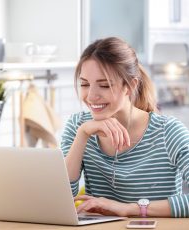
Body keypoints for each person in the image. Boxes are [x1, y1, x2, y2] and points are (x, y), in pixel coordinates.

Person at [61, 37, 189, 218]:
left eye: (104, 85)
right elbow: (63, 198)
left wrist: (128, 209)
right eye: (84, 84)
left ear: (130, 86)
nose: (91, 96)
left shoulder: (168, 133)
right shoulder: (78, 126)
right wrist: (82, 135)